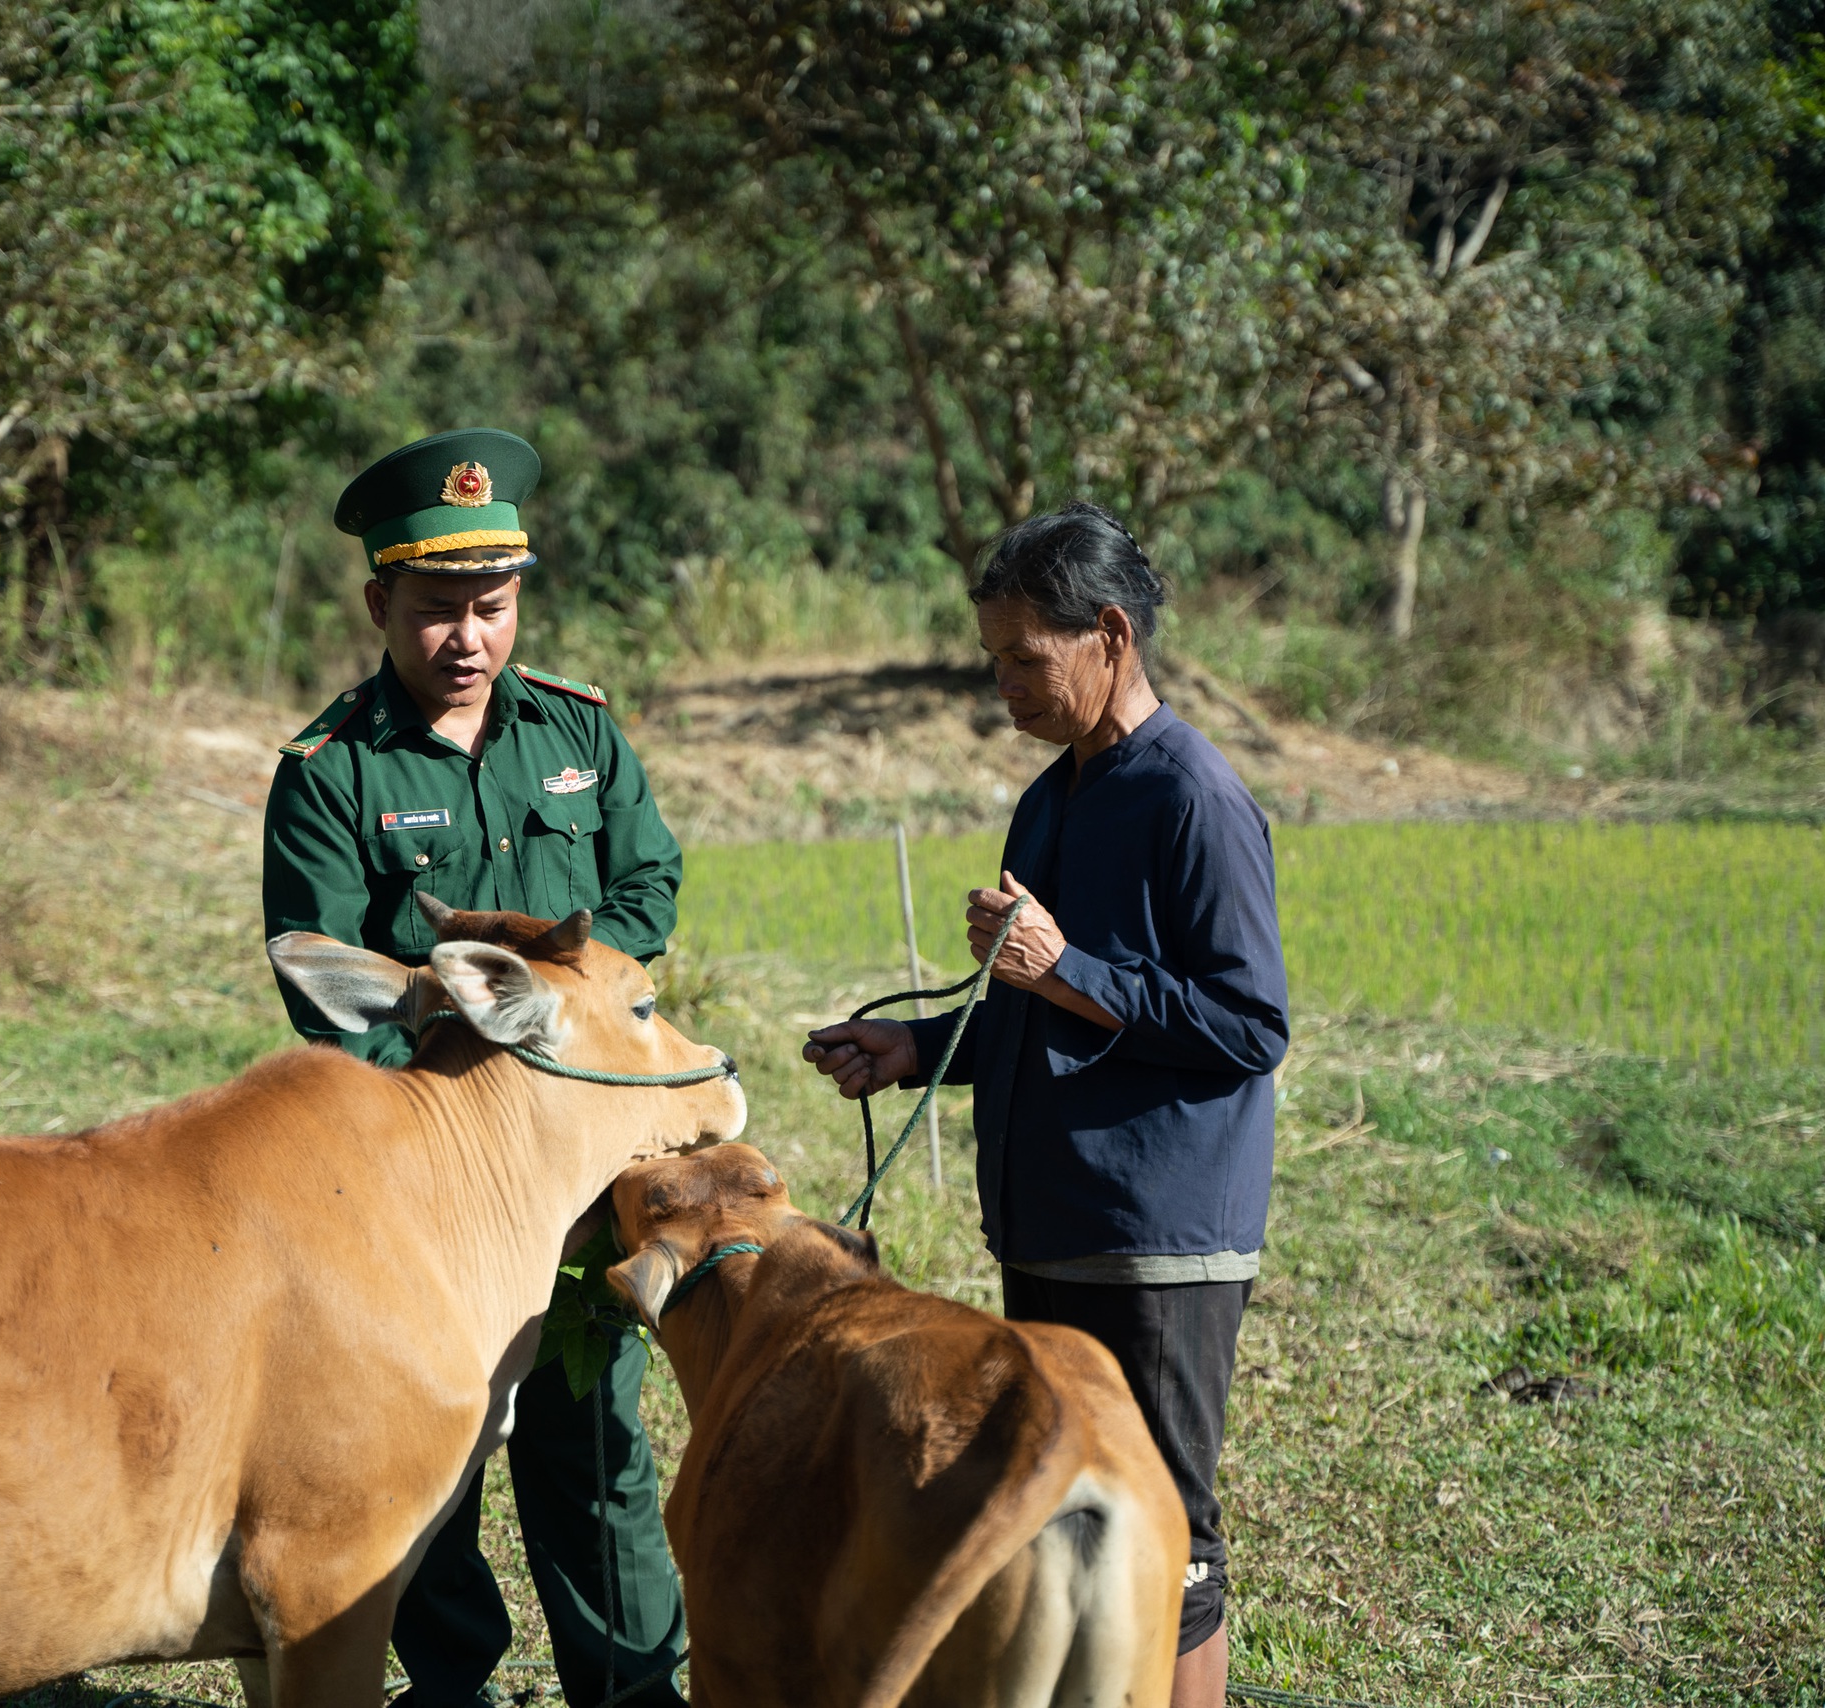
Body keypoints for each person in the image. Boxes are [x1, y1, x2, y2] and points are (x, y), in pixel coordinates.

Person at [801, 502, 1288, 1708]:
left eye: (1025, 657)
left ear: (1109, 635)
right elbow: (1036, 1013)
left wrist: (1064, 965)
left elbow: (1248, 1026)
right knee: (1065, 1510)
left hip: (1153, 1239)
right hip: (1048, 1222)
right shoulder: (1049, 797)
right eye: (993, 660)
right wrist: (914, 1046)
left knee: (1167, 1534)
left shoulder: (1194, 798)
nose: (1004, 686)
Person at [262, 428, 689, 1708]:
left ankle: (630, 1695)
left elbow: (647, 884)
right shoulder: (332, 771)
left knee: (594, 1440)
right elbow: (325, 989)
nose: (467, 637)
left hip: (578, 1156)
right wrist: (464, 1057)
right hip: (429, 1173)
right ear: (379, 605)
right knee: (423, 1448)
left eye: (491, 606)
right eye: (436, 609)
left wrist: (559, 997)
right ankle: (453, 1687)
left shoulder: (578, 732)